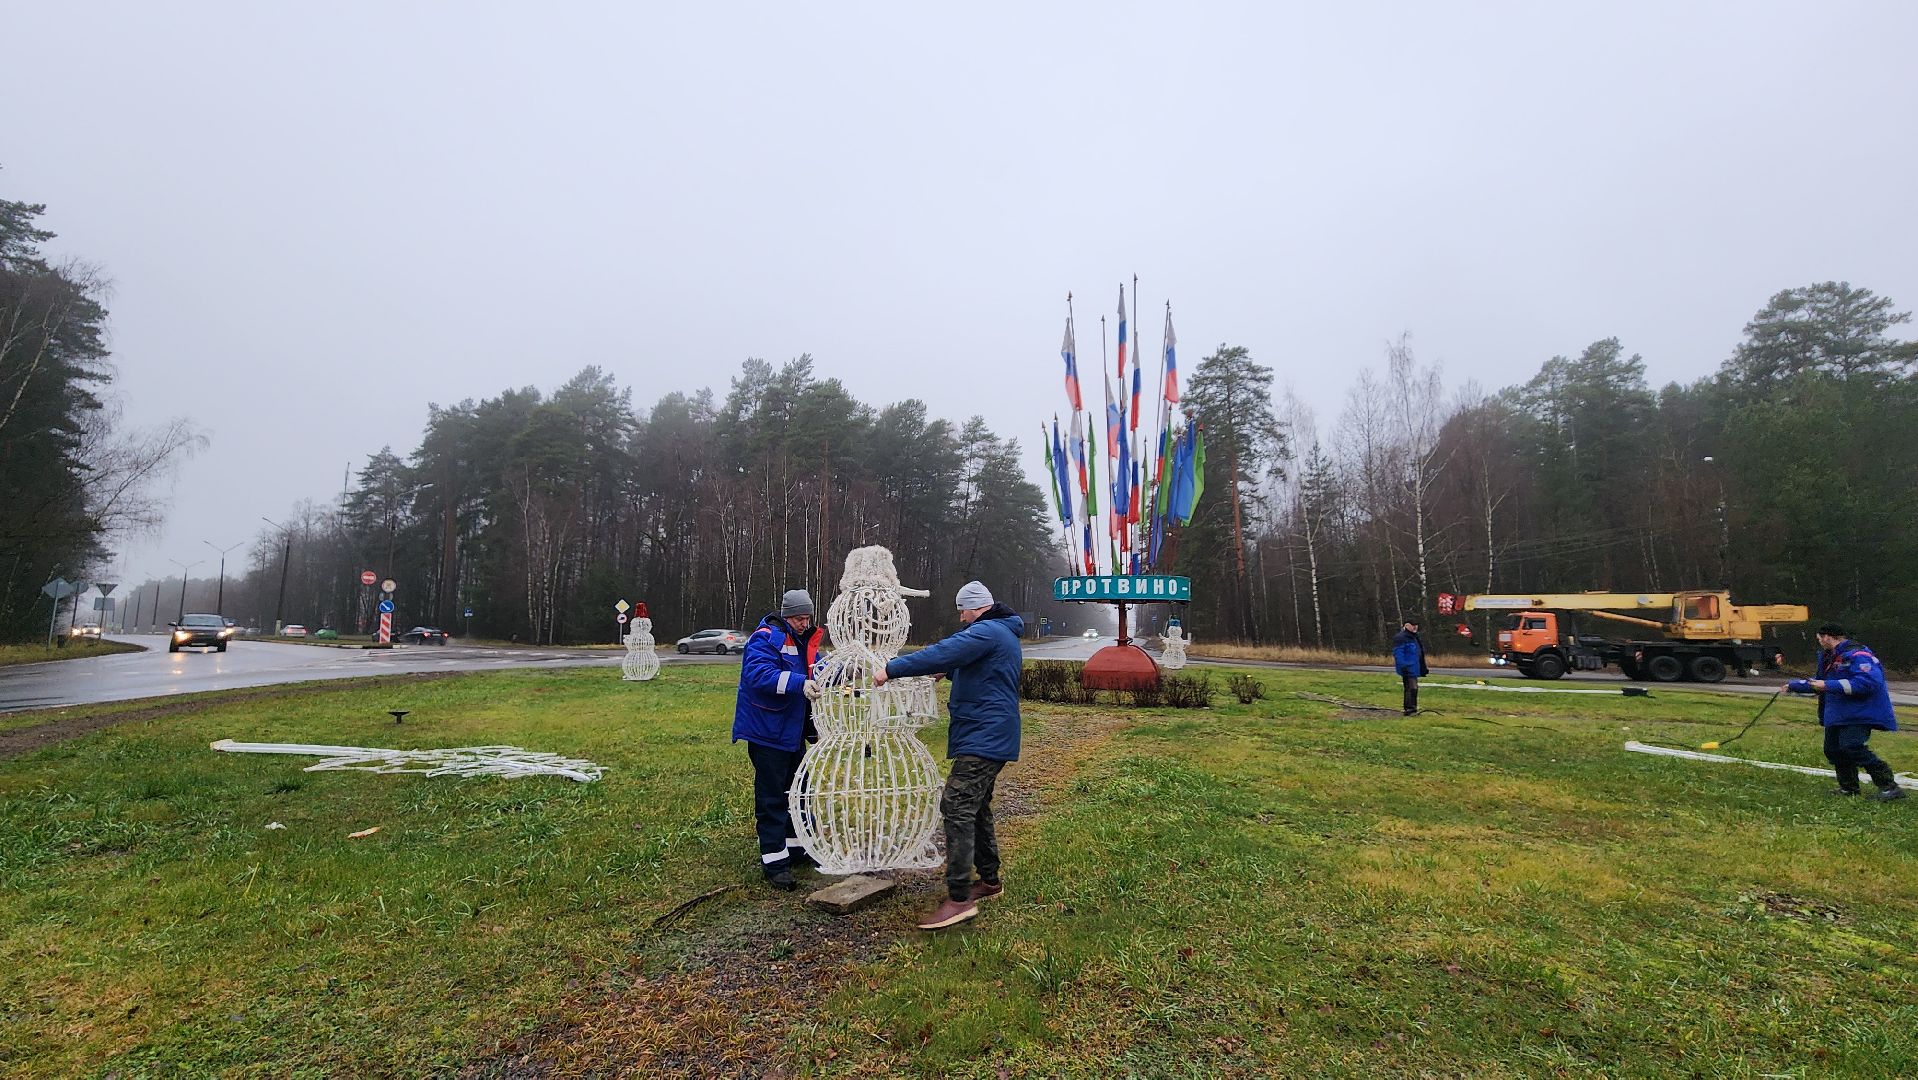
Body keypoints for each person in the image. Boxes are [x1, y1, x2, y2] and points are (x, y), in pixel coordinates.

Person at [873, 580, 1024, 930]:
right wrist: (952, 671)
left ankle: (958, 899)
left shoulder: (986, 631)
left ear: (977, 607)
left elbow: (945, 650)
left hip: (986, 736)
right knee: (976, 804)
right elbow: (975, 666)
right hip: (989, 733)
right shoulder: (999, 633)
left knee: (956, 803)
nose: (960, 617)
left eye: (962, 610)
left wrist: (891, 669)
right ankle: (989, 880)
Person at [732, 589, 824, 889]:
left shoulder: (805, 642)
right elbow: (757, 674)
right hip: (768, 734)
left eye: (807, 618)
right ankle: (775, 863)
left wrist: (843, 672)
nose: (803, 623)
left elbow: (819, 671)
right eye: (799, 618)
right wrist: (800, 683)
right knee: (772, 798)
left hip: (792, 733)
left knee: (798, 793)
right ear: (786, 616)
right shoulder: (765, 637)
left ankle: (796, 848)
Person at [1785, 623, 1906, 801]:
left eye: (1819, 638)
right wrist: (1793, 686)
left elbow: (1868, 683)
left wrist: (1828, 685)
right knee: (1833, 749)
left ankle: (1889, 786)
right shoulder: (1830, 657)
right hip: (1839, 713)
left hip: (1859, 712)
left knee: (1852, 747)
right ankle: (1849, 788)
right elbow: (1821, 682)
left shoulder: (1858, 656)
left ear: (1827, 637)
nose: (1819, 642)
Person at [1392, 617, 1429, 716]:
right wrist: (1403, 665)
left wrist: (1423, 667)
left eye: (1416, 625)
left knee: (1413, 687)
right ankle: (1409, 709)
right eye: (1413, 625)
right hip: (1407, 667)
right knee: (1411, 687)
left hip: (1415, 667)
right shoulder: (1401, 638)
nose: (1415, 627)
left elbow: (1419, 653)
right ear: (1406, 625)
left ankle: (1412, 708)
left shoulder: (1415, 637)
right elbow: (1398, 653)